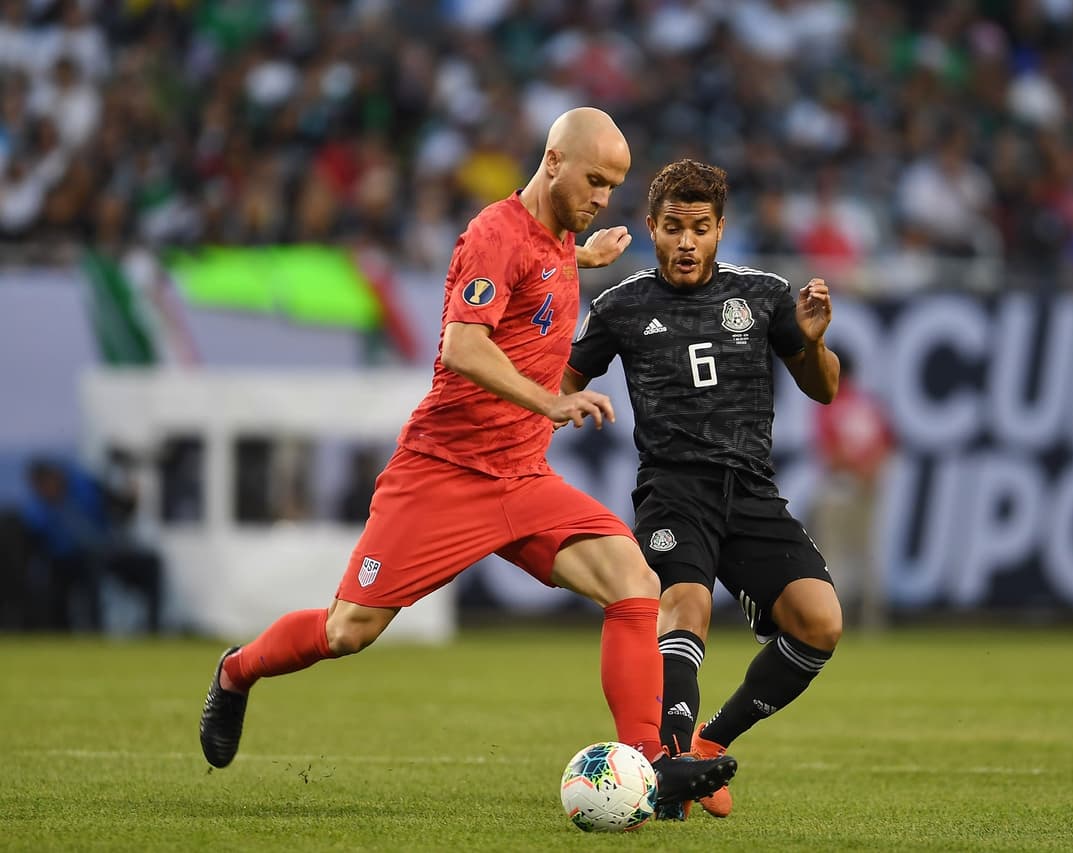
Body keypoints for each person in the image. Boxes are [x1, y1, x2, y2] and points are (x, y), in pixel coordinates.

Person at [198, 109, 738, 809]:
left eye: (614, 185)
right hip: (444, 473)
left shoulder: (558, 234)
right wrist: (548, 403)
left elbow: (537, 269)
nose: (604, 196)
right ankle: (237, 671)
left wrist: (583, 258)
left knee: (632, 577)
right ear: (553, 161)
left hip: (523, 477)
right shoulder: (491, 233)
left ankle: (648, 765)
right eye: (596, 179)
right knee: (346, 630)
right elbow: (463, 344)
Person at [563, 159, 843, 819]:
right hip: (672, 488)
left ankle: (710, 738)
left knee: (821, 623)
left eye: (700, 228)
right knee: (684, 606)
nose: (686, 241)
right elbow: (563, 381)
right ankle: (671, 768)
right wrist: (561, 403)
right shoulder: (621, 305)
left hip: (751, 491)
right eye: (673, 227)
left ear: (721, 230)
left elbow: (824, 387)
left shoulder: (766, 294)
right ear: (652, 229)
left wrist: (811, 343)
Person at [20, 455, 164, 633]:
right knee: (85, 570)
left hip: (106, 551)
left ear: (56, 476)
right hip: (68, 563)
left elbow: (121, 509)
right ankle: (93, 631)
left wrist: (131, 496)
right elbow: (35, 549)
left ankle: (153, 629)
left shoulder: (85, 486)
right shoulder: (36, 511)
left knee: (151, 564)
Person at [810, 350, 894, 633]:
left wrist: (856, 471)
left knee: (834, 556)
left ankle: (835, 622)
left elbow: (829, 453)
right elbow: (886, 444)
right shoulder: (867, 404)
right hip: (869, 486)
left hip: (840, 487)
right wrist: (869, 472)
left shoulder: (828, 403)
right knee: (868, 554)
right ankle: (872, 622)